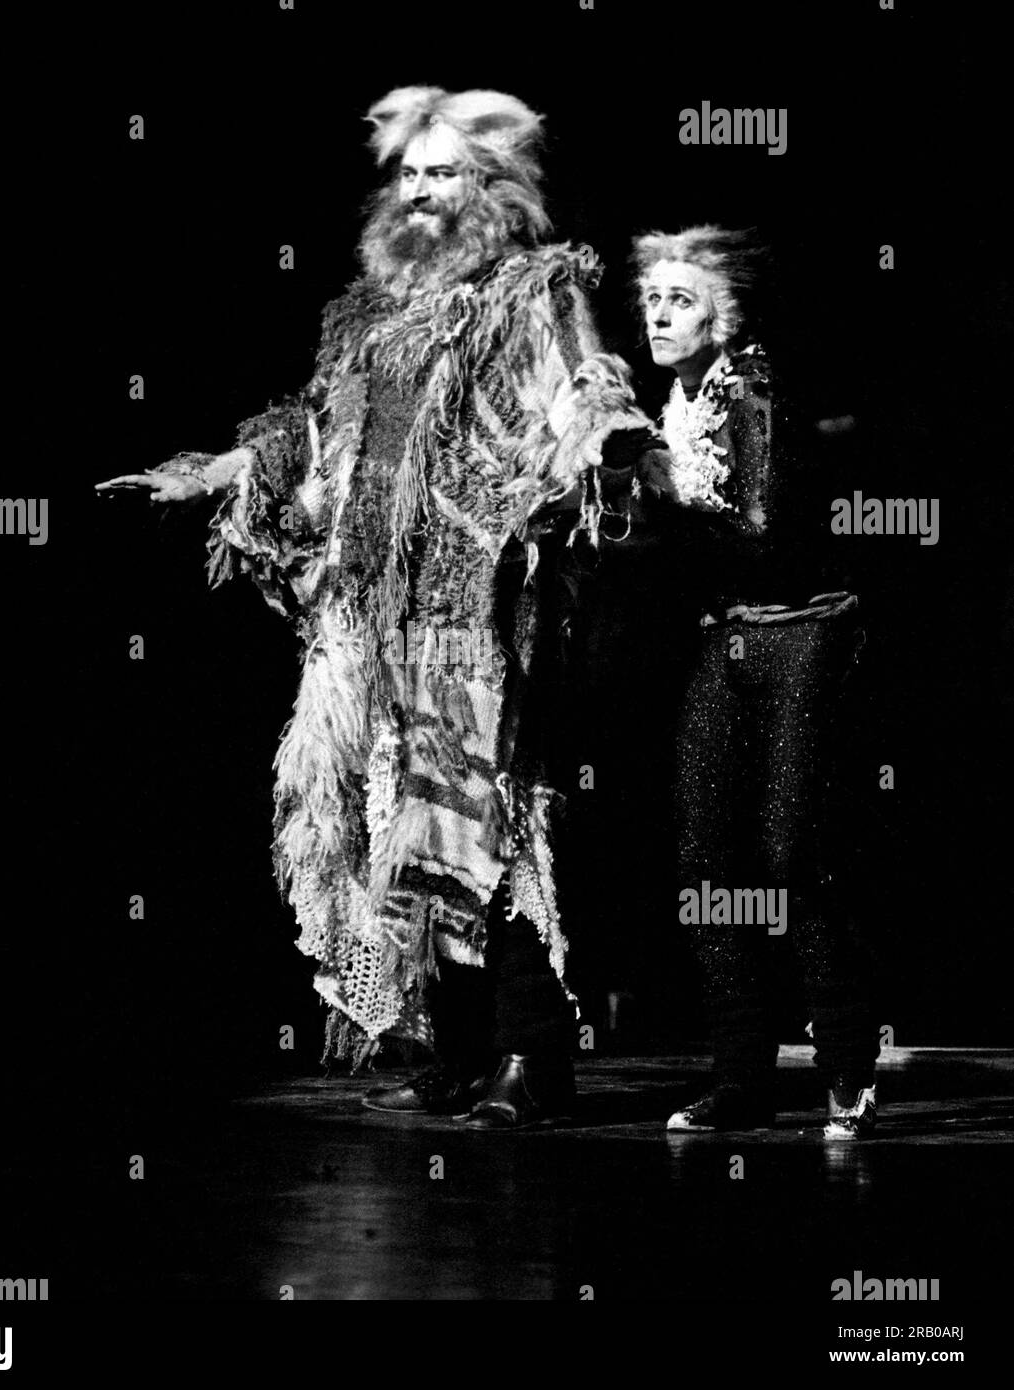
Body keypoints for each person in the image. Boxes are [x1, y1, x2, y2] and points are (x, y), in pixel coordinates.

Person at [97, 87, 658, 1129]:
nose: (421, 191)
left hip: (464, 601)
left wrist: (605, 443)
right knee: (366, 821)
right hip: (363, 609)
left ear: (493, 183)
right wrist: (217, 468)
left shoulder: (537, 289)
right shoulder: (364, 315)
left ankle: (534, 1060)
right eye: (409, 172)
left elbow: (587, 391)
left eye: (442, 172)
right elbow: (314, 434)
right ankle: (436, 1045)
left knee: (485, 814)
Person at [630, 226, 880, 1139]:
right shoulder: (672, 395)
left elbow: (759, 527)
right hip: (727, 635)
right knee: (704, 863)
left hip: (803, 630)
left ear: (722, 316)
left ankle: (846, 1067)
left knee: (788, 858)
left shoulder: (751, 387)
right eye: (651, 298)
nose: (658, 314)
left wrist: (645, 487)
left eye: (681, 301)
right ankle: (739, 1075)